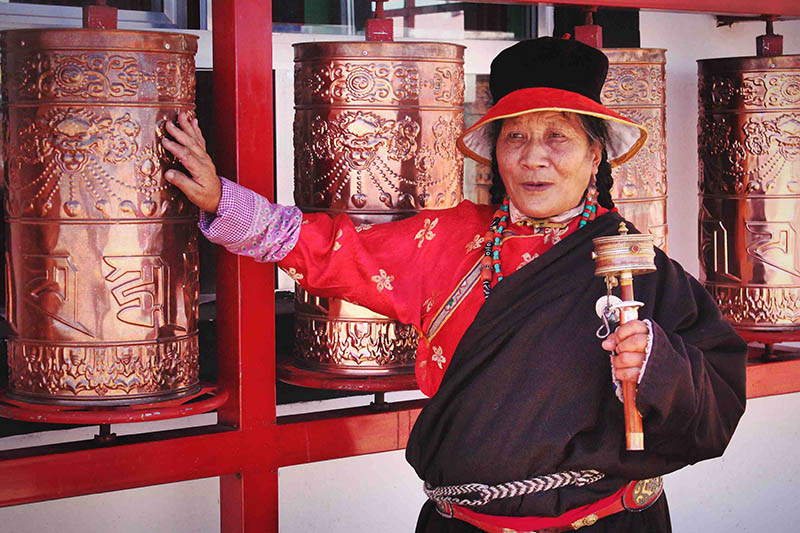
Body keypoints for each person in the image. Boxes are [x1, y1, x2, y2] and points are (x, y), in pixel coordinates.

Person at [162, 37, 747, 532]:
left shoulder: (629, 264)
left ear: (596, 156)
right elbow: (330, 252)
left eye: (557, 137)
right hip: (460, 522)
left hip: (602, 522)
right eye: (514, 137)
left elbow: (719, 391)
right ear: (495, 154)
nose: (533, 158)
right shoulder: (451, 240)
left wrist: (656, 363)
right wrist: (221, 200)